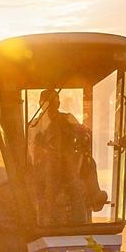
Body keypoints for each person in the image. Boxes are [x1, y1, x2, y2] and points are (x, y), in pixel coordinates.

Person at [30, 88, 105, 224]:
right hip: (43, 164)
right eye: (47, 102)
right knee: (64, 180)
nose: (51, 105)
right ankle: (50, 217)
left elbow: (84, 135)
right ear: (40, 104)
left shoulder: (68, 119)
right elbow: (30, 147)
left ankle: (94, 198)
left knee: (88, 163)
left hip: (67, 160)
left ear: (58, 103)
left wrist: (80, 133)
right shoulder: (34, 125)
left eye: (54, 101)